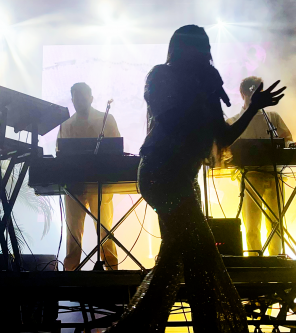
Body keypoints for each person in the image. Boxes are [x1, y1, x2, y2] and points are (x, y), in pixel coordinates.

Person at [108, 25, 285, 332]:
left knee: (180, 259)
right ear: (181, 50)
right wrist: (201, 92)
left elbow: (224, 135)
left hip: (183, 177)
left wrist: (252, 108)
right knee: (201, 256)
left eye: (204, 47)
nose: (202, 53)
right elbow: (172, 122)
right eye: (196, 47)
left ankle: (139, 327)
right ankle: (210, 326)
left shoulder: (206, 82)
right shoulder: (161, 76)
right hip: (161, 172)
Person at [226, 76, 293, 257]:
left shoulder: (273, 117)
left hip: (274, 174)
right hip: (250, 177)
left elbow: (287, 140)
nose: (254, 94)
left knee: (276, 223)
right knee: (251, 224)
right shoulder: (233, 122)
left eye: (258, 90)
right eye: (251, 91)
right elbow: (226, 152)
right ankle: (255, 260)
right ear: (243, 93)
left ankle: (276, 260)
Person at [58, 82, 120, 271]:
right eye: (76, 97)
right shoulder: (66, 125)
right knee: (73, 234)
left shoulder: (106, 120)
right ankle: (71, 276)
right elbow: (60, 154)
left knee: (105, 230)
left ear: (91, 98)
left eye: (83, 97)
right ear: (72, 100)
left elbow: (117, 150)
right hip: (74, 185)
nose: (79, 101)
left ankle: (112, 273)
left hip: (100, 183)